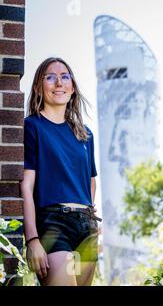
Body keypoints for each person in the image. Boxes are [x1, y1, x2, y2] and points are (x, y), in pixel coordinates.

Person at [20, 57, 101, 286]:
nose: (59, 82)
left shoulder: (85, 134)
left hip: (86, 227)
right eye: (50, 77)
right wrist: (33, 239)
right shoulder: (31, 127)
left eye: (65, 76)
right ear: (38, 87)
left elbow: (91, 181)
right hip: (53, 223)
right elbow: (26, 186)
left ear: (72, 88)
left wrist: (90, 216)